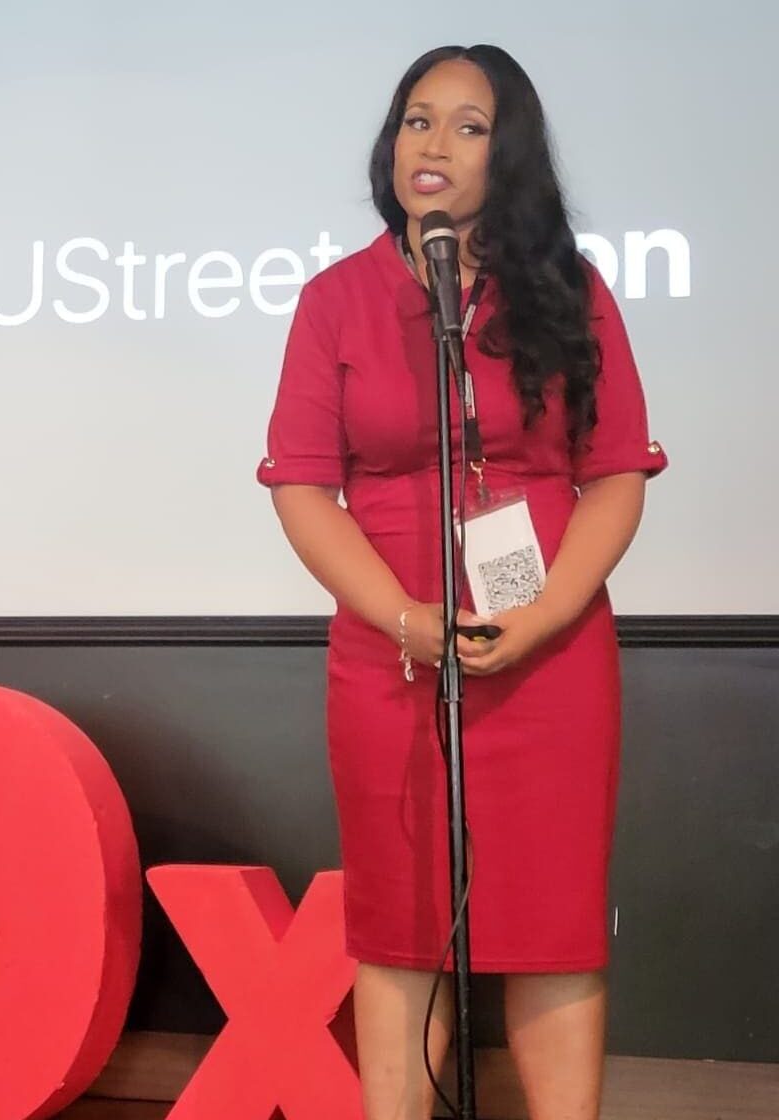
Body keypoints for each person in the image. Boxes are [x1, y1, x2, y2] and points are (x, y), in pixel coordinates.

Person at [258, 44, 667, 1120]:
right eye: (414, 119)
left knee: (551, 924)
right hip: (390, 654)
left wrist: (538, 618)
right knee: (399, 927)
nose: (430, 144)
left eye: (467, 125)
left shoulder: (569, 294)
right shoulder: (333, 300)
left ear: (509, 154)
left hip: (550, 654)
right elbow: (302, 487)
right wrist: (401, 615)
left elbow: (616, 472)